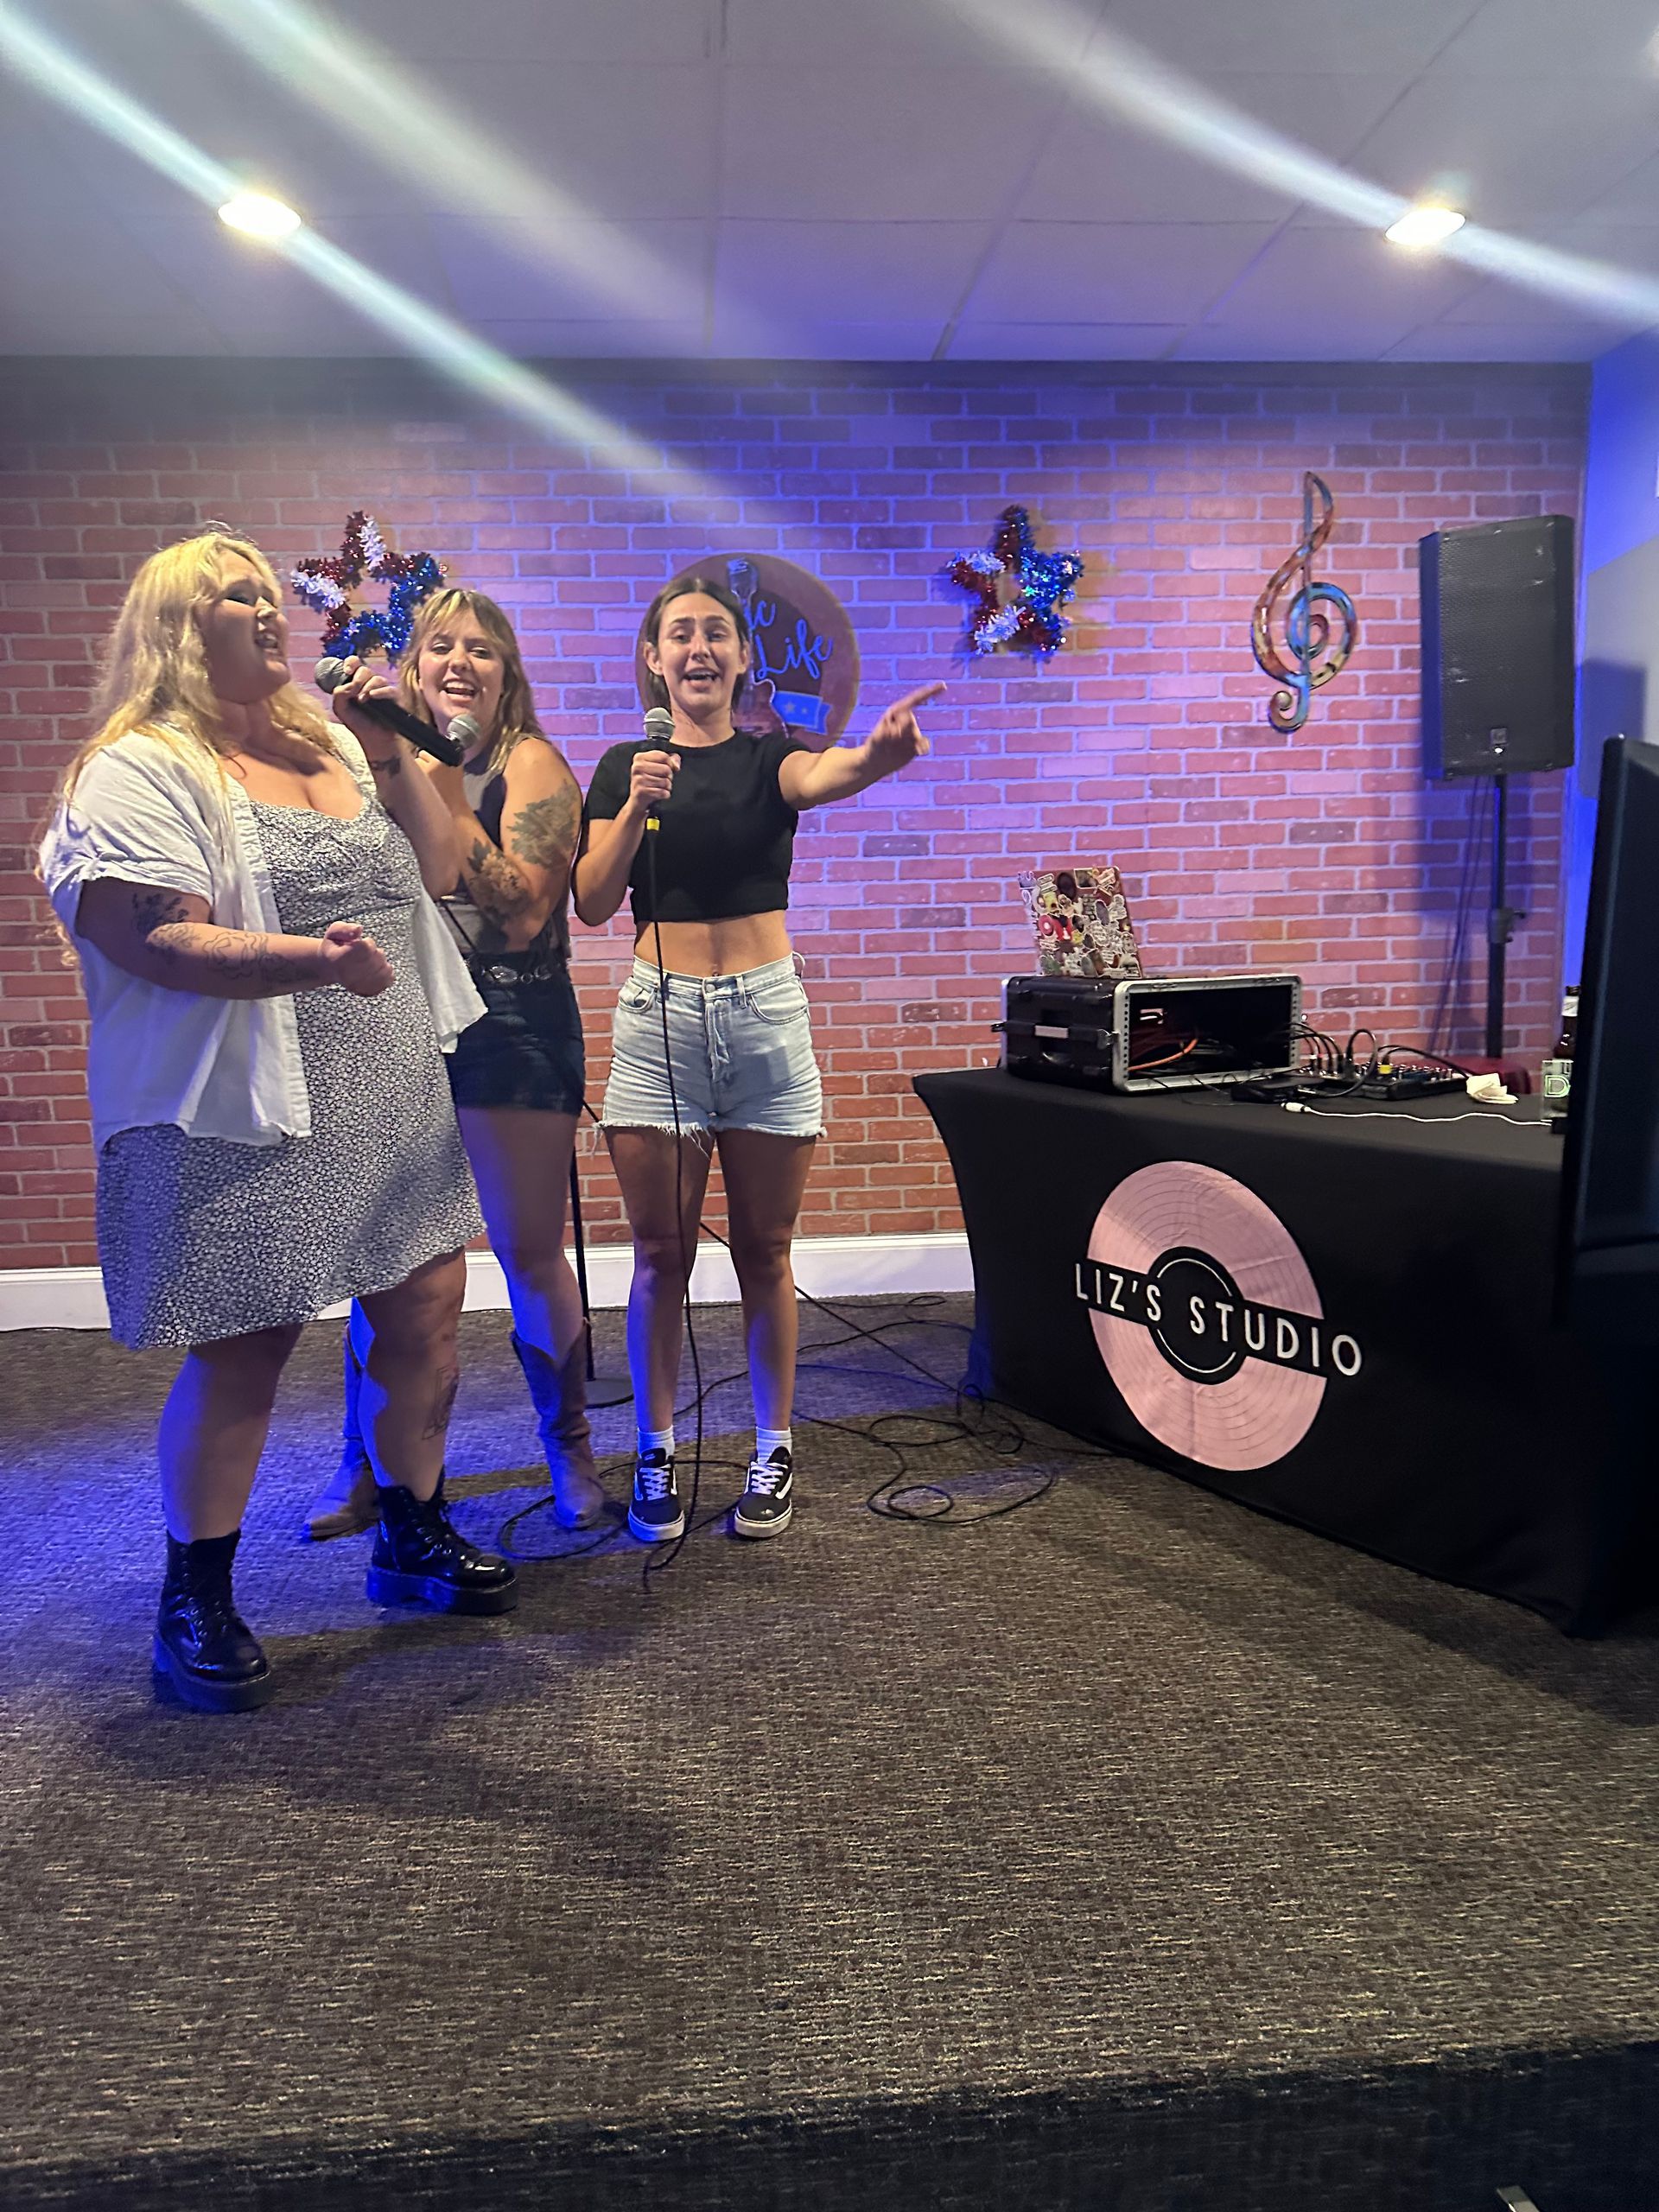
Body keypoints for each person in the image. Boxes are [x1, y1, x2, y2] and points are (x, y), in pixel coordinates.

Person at [38, 531, 517, 1716]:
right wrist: (317, 960)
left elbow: (441, 872)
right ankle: (194, 1596)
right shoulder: (138, 767)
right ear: (175, 627)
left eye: (268, 591)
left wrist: (390, 748)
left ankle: (410, 1530)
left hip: (387, 1077)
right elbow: (153, 936)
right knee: (247, 1343)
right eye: (236, 593)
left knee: (426, 1311)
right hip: (247, 1101)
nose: (269, 608)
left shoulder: (331, 741)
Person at [573, 572, 941, 1545]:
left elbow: (826, 778)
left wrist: (881, 755)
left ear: (742, 659)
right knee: (660, 1253)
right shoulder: (622, 767)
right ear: (653, 659)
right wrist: (635, 807)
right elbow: (594, 901)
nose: (698, 648)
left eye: (716, 634)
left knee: (765, 1250)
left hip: (765, 1015)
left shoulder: (771, 756)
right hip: (658, 1020)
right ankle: (654, 1449)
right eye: (680, 634)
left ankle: (772, 1446)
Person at [302, 588, 607, 1541]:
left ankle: (568, 1446)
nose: (460, 662)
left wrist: (435, 782)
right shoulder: (367, 755)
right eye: (441, 646)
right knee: (388, 1257)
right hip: (398, 1017)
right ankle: (365, 1459)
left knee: (526, 1248)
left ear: (507, 673)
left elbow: (522, 909)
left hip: (513, 1020)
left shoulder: (530, 763)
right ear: (413, 666)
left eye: (482, 648)